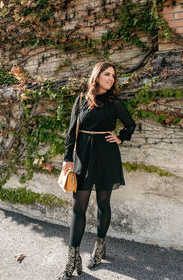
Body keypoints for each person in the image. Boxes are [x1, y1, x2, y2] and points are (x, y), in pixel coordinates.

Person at [57, 62, 136, 280]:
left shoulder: (114, 102)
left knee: (103, 203)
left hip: (107, 157)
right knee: (78, 208)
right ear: (97, 76)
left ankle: (100, 247)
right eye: (107, 74)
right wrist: (67, 160)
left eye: (113, 76)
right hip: (83, 157)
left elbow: (130, 124)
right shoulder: (81, 100)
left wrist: (121, 137)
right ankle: (73, 258)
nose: (111, 78)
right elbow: (71, 132)